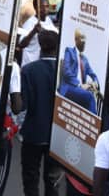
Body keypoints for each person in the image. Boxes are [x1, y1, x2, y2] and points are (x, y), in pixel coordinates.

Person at [20, 30, 62, 196]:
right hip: (57, 135)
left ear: (39, 45)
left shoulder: (28, 70)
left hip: (33, 132)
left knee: (31, 178)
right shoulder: (65, 72)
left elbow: (23, 105)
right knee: (52, 181)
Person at [59, 28, 100, 113]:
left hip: (80, 91)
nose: (84, 42)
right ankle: (94, 121)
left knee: (90, 96)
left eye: (85, 39)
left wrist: (95, 82)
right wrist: (80, 85)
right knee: (90, 96)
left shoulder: (85, 59)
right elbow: (66, 72)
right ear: (76, 40)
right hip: (69, 87)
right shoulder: (69, 51)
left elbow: (93, 74)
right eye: (82, 38)